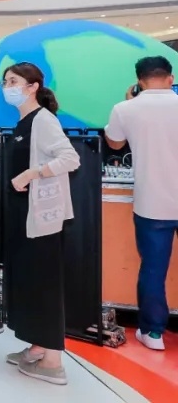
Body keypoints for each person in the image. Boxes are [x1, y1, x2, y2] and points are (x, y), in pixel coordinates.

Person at [0, 62, 81, 386]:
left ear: (33, 86)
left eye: (14, 81)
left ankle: (52, 361)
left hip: (42, 220)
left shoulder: (43, 120)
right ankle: (37, 346)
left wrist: (34, 173)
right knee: (30, 284)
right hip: (23, 217)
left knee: (45, 286)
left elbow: (70, 158)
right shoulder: (24, 121)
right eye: (5, 82)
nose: (8, 87)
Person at [105, 56, 178, 352]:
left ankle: (153, 333)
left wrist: (129, 103)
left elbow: (114, 143)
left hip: (152, 203)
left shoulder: (125, 109)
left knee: (153, 270)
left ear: (139, 81)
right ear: (171, 78)